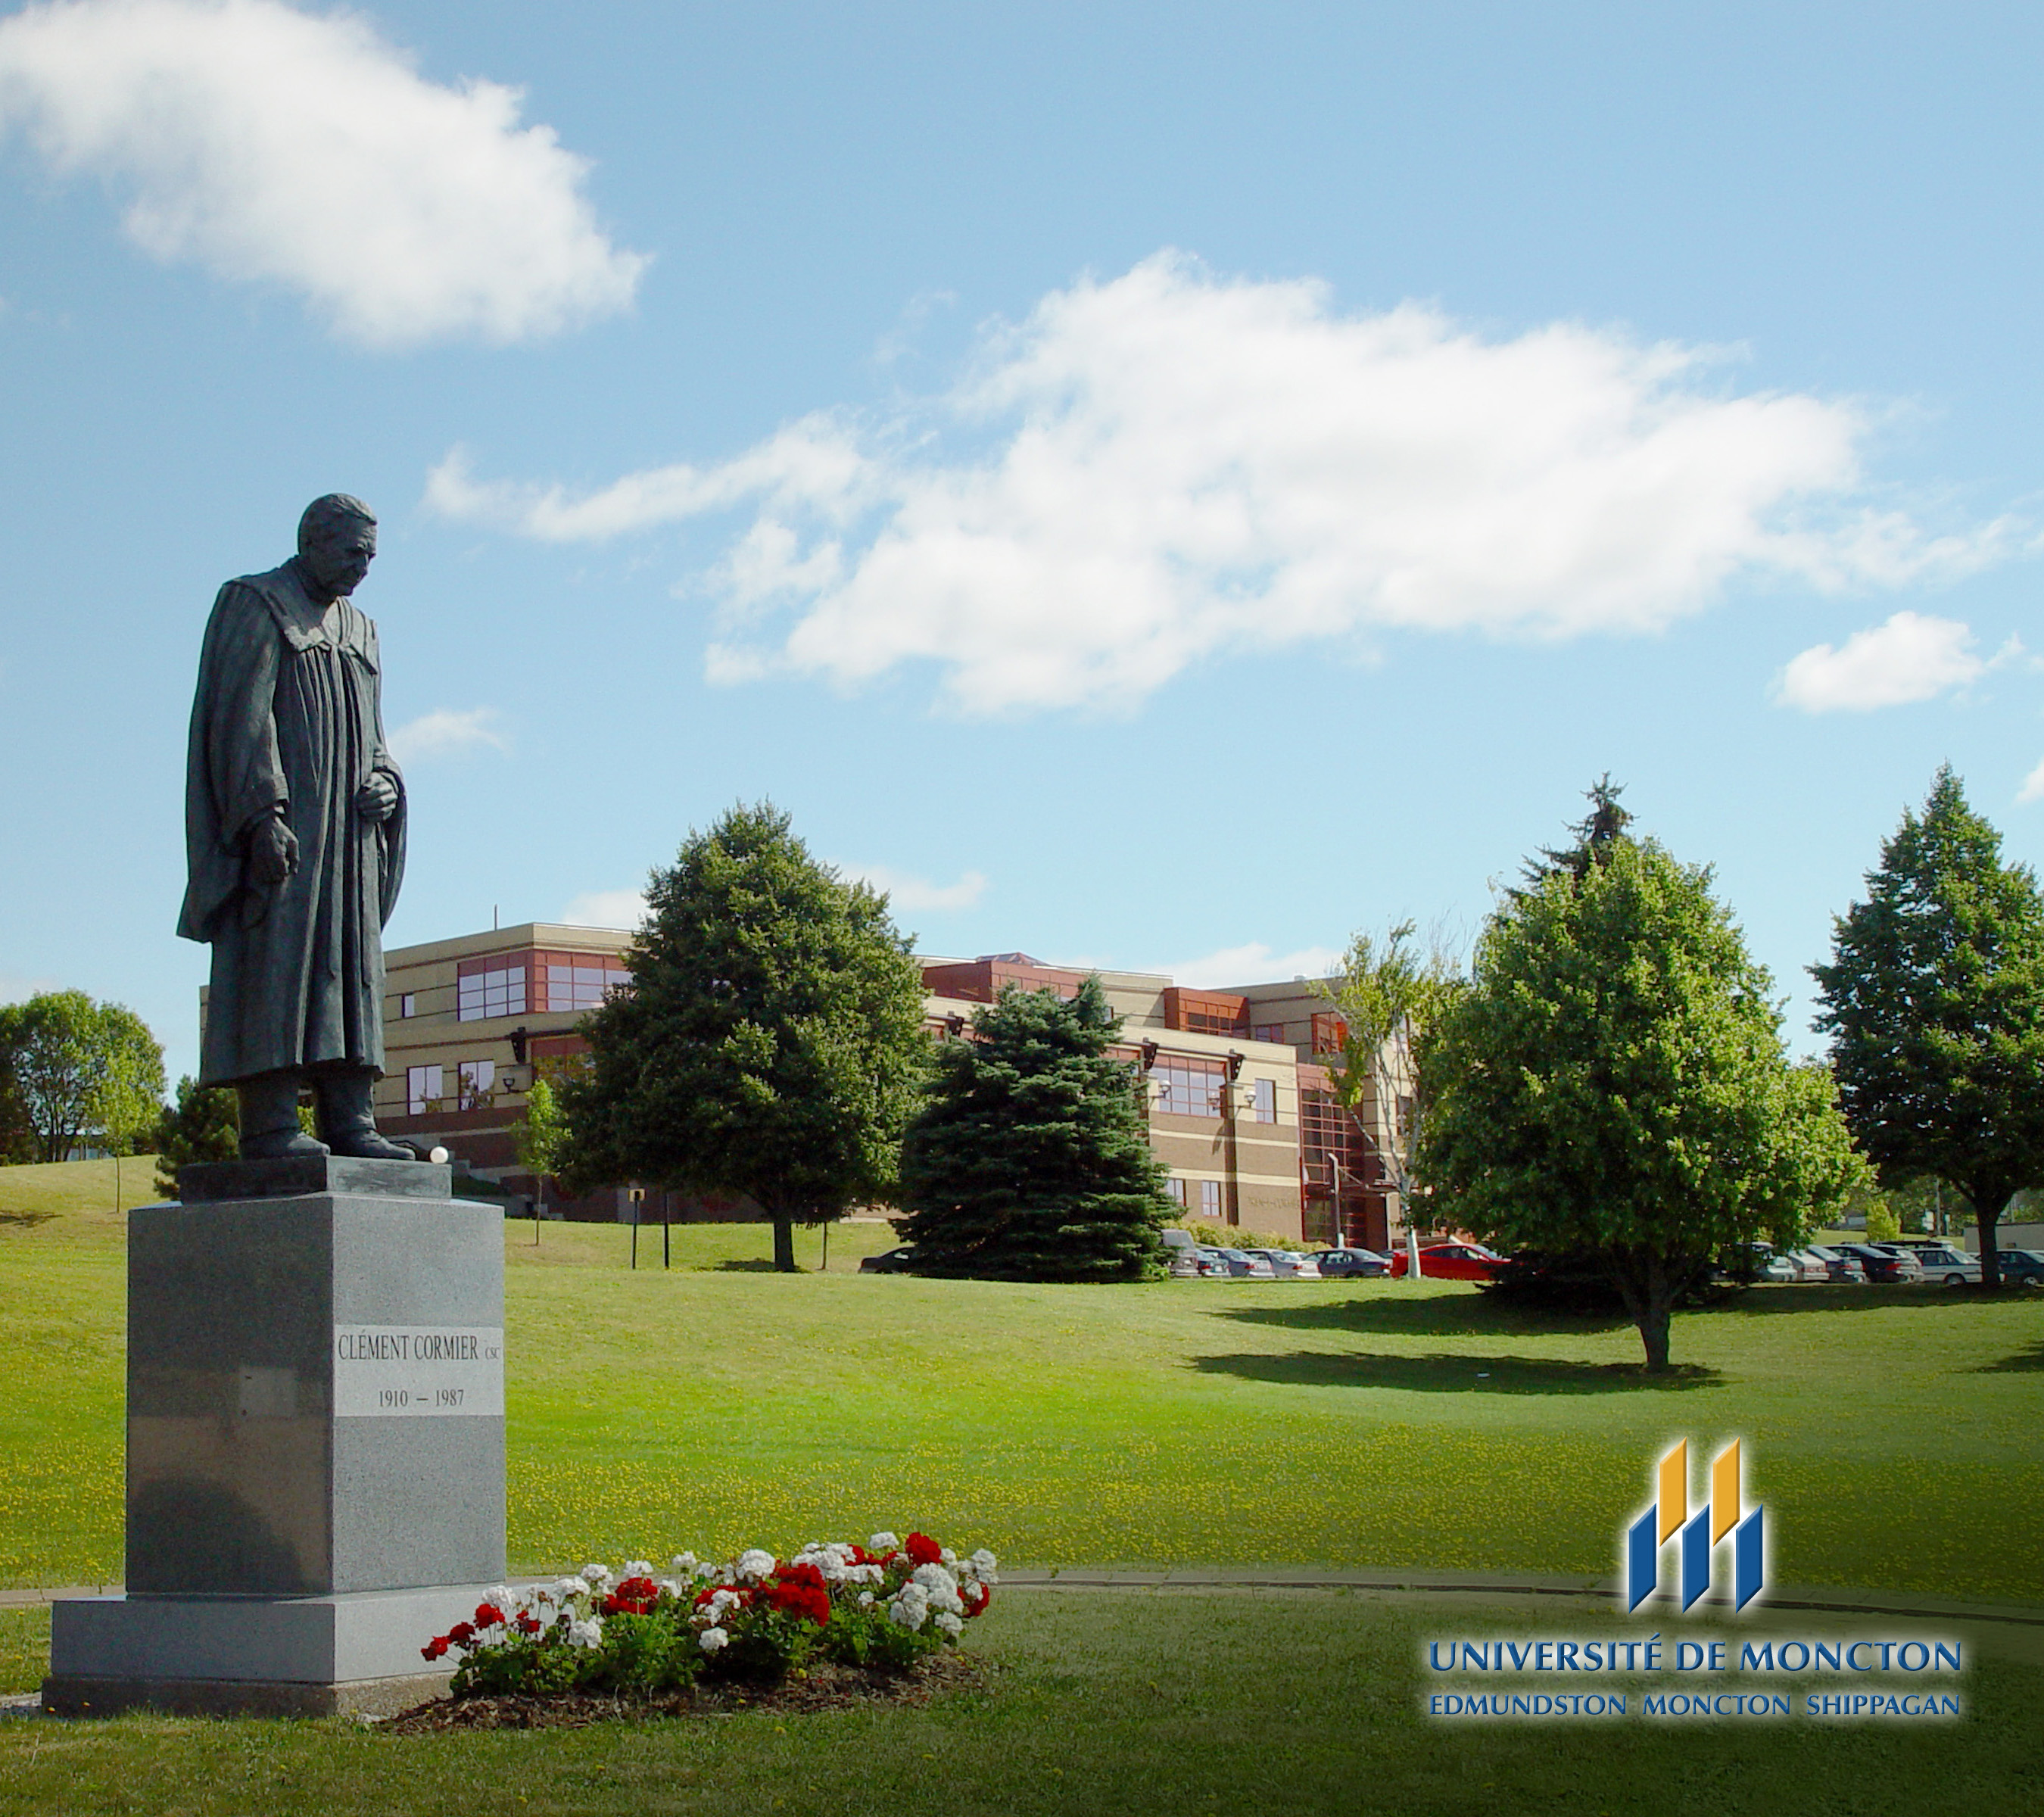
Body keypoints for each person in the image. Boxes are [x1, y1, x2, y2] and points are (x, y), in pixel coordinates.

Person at [176, 494, 413, 1161]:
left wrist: (385, 781)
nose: (362, 568)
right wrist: (262, 816)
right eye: (351, 552)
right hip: (289, 835)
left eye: (371, 556)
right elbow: (239, 718)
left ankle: (350, 1118)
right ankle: (271, 1122)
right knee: (278, 965)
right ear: (312, 541)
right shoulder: (256, 604)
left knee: (351, 968)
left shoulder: (363, 630)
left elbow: (376, 734)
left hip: (353, 840)